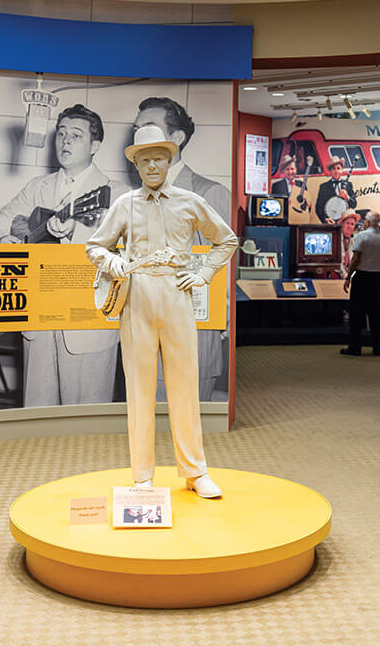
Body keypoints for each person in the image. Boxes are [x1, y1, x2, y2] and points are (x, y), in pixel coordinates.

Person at [87, 124, 238, 498]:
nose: (152, 166)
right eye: (144, 160)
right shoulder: (125, 204)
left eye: (158, 158)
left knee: (184, 385)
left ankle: (195, 471)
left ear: (170, 161)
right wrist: (111, 262)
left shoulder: (189, 201)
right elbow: (94, 246)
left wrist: (203, 274)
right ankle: (142, 476)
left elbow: (227, 239)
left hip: (175, 294)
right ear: (136, 165)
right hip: (136, 296)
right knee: (139, 389)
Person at [0, 104, 127, 406]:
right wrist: (7, 239)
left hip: (89, 323)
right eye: (61, 134)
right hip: (39, 319)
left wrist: (73, 233)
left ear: (95, 146)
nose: (64, 141)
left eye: (76, 136)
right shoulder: (38, 187)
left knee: (85, 420)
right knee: (36, 414)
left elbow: (130, 249)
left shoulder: (116, 193)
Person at [132, 96, 230, 402]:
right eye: (137, 130)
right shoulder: (133, 198)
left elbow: (222, 270)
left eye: (149, 128)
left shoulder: (209, 193)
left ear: (176, 139)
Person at [342, 211, 380, 356]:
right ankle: (377, 348)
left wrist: (348, 277)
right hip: (377, 278)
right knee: (375, 314)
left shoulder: (361, 236)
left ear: (368, 222)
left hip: (362, 278)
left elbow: (356, 259)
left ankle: (355, 347)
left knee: (356, 314)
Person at [315, 156, 357, 224]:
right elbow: (318, 208)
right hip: (330, 222)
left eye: (338, 168)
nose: (336, 171)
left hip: (345, 222)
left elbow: (354, 204)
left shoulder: (349, 185)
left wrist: (347, 197)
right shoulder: (323, 187)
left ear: (342, 170)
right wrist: (325, 219)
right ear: (330, 171)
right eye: (333, 169)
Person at [338, 209, 361, 277]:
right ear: (342, 224)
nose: (349, 226)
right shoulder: (337, 240)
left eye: (352, 224)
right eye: (347, 223)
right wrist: (345, 276)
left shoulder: (354, 240)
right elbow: (339, 264)